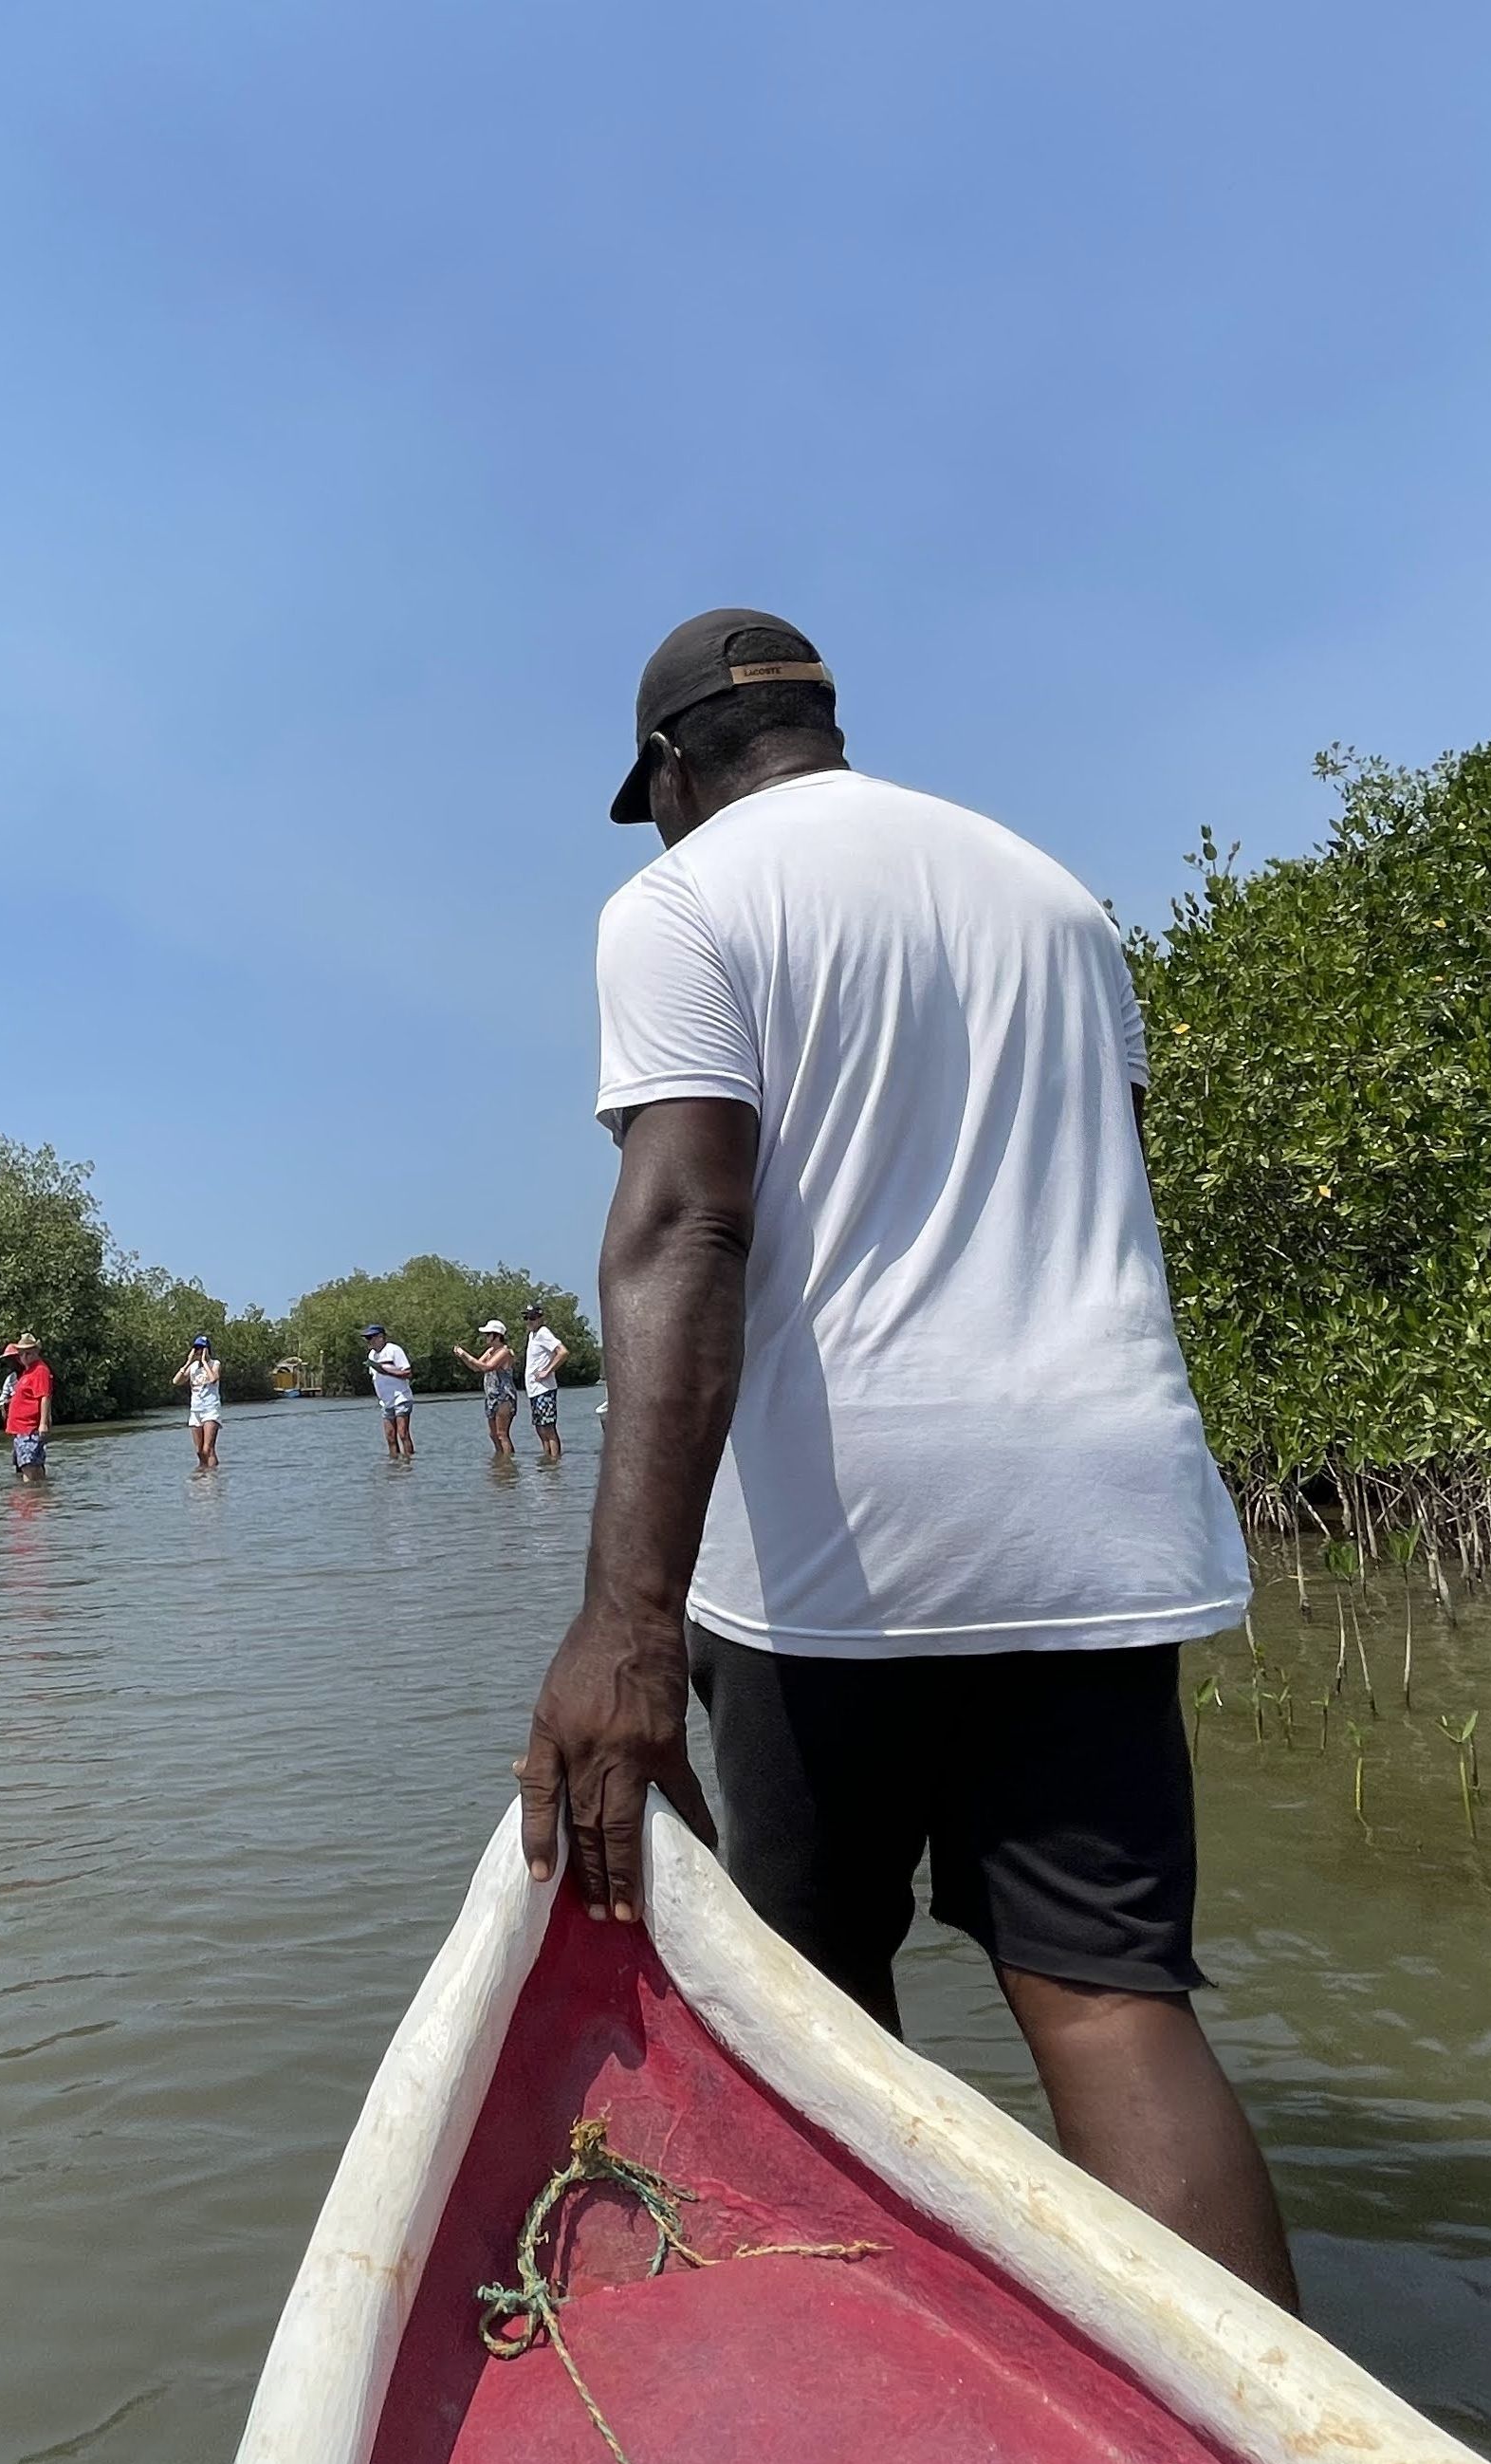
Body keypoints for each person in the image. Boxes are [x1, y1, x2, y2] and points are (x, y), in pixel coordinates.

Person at [517, 609, 1293, 2309]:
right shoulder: (1054, 898)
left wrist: (623, 1622)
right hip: (1100, 1525)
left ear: (669, 773)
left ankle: (889, 2377)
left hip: (836, 1552)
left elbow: (680, 1227)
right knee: (1105, 2003)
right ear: (821, 726)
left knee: (813, 1993)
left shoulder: (682, 902)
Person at [452, 1319, 520, 1456]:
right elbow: (476, 1368)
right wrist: (463, 1357)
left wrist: (466, 1354)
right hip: (491, 1397)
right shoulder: (490, 1351)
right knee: (493, 1434)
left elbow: (488, 1367)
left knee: (502, 1434)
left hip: (504, 1397)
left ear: (496, 1335)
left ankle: (508, 1464)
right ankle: (500, 1462)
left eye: (488, 1334)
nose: (486, 1337)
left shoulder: (504, 1351)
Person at [0, 1334, 55, 1482]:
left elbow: (44, 1396)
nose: (24, 1356)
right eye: (21, 1353)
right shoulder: (28, 1372)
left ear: (36, 1352)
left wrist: (43, 1424)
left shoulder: (40, 1370)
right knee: (29, 1467)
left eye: (29, 1352)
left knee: (29, 1468)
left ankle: (30, 1500)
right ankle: (37, 1497)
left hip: (29, 1429)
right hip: (21, 1430)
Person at [519, 1301, 567, 1462]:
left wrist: (548, 1370)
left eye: (532, 1317)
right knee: (540, 1428)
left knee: (548, 1428)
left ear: (540, 1318)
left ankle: (555, 1462)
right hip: (534, 1390)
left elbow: (562, 1352)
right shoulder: (532, 1335)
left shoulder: (544, 1333)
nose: (529, 1321)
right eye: (526, 1317)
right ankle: (547, 1460)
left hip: (544, 1389)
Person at [361, 1324, 416, 1457]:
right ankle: (394, 1464)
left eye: (370, 1338)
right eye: (367, 1339)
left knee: (403, 1433)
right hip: (385, 1402)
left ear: (381, 1337)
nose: (368, 1341)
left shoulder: (394, 1350)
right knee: (390, 1436)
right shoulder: (371, 1355)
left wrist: (386, 1370)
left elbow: (408, 1373)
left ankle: (409, 1463)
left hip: (401, 1398)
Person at [175, 1332, 224, 1471]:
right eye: (197, 1348)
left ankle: (213, 1475)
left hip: (210, 1409)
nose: (199, 1351)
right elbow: (176, 1381)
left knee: (208, 1448)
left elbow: (214, 1379)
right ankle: (204, 1472)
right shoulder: (192, 1367)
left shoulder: (215, 1364)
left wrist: (204, 1361)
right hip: (196, 1410)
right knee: (199, 1451)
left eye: (202, 1348)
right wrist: (188, 1363)